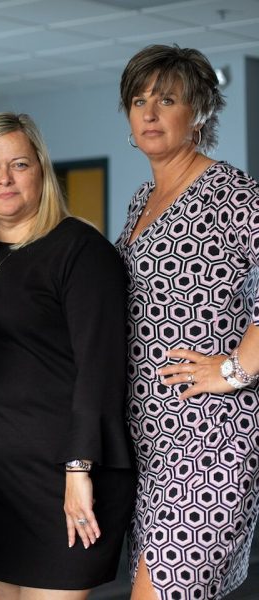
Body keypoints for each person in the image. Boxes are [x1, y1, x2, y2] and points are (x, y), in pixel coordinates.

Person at [0, 112, 135, 599]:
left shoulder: (80, 250)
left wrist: (80, 470)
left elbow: (101, 370)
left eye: (18, 164)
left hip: (66, 476)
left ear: (41, 170)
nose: (4, 179)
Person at [115, 44, 259, 600]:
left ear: (198, 111)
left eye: (167, 99)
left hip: (207, 438)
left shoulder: (233, 193)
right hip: (146, 439)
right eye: (138, 100)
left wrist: (236, 369)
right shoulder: (141, 201)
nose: (149, 113)